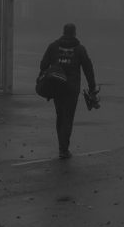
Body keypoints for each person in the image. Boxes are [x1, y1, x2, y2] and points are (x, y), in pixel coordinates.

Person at [39, 23, 97, 159]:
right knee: (68, 117)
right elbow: (88, 69)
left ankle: (62, 147)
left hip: (56, 86)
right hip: (72, 89)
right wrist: (92, 87)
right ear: (74, 33)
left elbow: (43, 65)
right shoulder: (80, 49)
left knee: (60, 116)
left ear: (63, 32)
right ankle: (64, 149)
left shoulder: (53, 46)